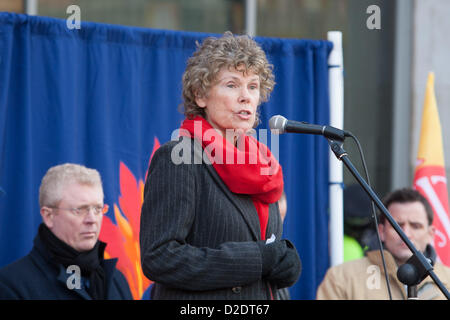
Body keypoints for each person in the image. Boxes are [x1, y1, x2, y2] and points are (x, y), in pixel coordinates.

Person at [139, 32, 301, 300]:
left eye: (253, 86)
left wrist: (283, 265)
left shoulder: (261, 165)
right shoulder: (179, 158)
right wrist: (256, 259)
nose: (246, 97)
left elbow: (263, 250)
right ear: (200, 94)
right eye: (232, 85)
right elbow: (159, 257)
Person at [0, 163, 132, 300]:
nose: (92, 219)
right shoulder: (11, 285)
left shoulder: (117, 280)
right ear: (48, 216)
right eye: (79, 210)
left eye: (98, 209)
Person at [316, 188, 450, 300]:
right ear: (381, 231)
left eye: (415, 226)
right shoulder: (342, 277)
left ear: (431, 234)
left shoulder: (447, 280)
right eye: (397, 226)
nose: (406, 234)